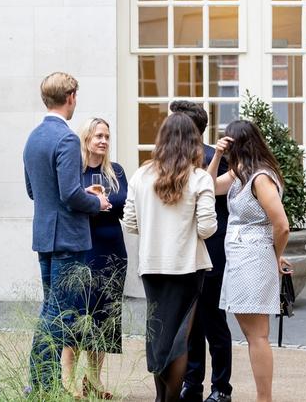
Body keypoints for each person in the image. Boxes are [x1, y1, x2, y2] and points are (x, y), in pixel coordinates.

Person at [24, 72, 112, 393]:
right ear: (71, 97)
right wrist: (96, 201)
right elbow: (70, 195)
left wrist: (80, 194)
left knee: (51, 308)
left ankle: (42, 384)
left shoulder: (33, 137)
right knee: (59, 313)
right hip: (67, 239)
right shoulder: (67, 138)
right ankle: (42, 386)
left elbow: (33, 191)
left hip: (45, 235)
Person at [123, 114, 218, 402]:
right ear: (194, 142)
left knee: (159, 336)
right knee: (179, 339)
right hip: (187, 267)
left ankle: (160, 398)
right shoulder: (200, 178)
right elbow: (207, 228)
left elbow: (130, 222)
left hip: (151, 265)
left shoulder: (141, 175)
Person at [207, 120, 293, 402]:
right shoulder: (241, 173)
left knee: (257, 335)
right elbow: (209, 187)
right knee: (254, 334)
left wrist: (273, 256)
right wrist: (216, 156)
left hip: (253, 260)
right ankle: (263, 397)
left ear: (239, 144)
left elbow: (282, 225)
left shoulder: (260, 177)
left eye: (228, 143)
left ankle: (264, 398)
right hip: (242, 259)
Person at [169, 102, 233, 402]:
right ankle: (193, 384)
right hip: (186, 250)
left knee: (213, 322)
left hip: (212, 248)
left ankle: (220, 387)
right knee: (192, 324)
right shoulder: (173, 160)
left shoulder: (214, 158)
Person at [68, 117, 127, 399]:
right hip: (83, 249)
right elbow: (69, 202)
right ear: (86, 139)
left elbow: (124, 203)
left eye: (106, 136)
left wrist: (98, 201)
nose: (103, 141)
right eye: (98, 136)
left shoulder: (116, 171)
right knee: (78, 315)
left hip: (112, 250)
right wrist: (92, 200)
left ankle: (93, 379)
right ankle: (68, 380)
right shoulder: (74, 171)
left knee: (104, 318)